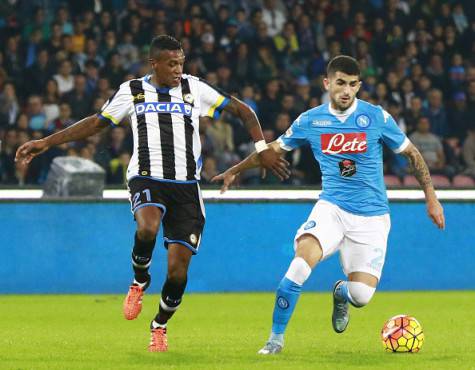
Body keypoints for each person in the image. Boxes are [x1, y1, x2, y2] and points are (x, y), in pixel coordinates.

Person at [15, 35, 288, 352]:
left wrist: (261, 148)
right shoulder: (132, 91)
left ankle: (159, 325)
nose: (177, 69)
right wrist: (46, 142)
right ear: (154, 63)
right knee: (147, 226)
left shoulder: (194, 88)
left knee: (177, 271)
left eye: (181, 63)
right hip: (146, 177)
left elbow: (244, 111)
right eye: (171, 63)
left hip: (186, 186)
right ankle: (140, 278)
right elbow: (96, 123)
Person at [212, 55, 445, 355]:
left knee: (361, 296)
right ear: (327, 83)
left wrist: (431, 196)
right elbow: (272, 151)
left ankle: (341, 292)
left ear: (359, 86)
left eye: (352, 84)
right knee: (297, 269)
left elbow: (412, 154)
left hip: (372, 217)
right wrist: (235, 169)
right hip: (331, 208)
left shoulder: (376, 117)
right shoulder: (311, 120)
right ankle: (275, 340)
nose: (346, 90)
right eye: (339, 83)